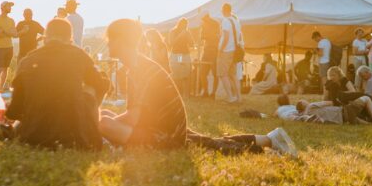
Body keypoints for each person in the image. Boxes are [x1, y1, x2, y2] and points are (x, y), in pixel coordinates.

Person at [97, 19, 296, 155]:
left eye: (109, 39)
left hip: (167, 134)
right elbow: (136, 115)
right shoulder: (137, 67)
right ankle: (269, 140)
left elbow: (133, 118)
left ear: (121, 40)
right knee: (210, 142)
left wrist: (100, 126)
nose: (107, 44)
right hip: (165, 127)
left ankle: (269, 143)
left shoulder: (142, 69)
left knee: (103, 122)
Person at [7, 17, 110, 149]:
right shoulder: (78, 55)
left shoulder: (27, 60)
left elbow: (14, 112)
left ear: (44, 39)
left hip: (31, 136)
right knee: (95, 84)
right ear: (70, 40)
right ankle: (90, 130)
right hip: (73, 136)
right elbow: (101, 84)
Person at [217, 4, 245, 103]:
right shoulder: (236, 21)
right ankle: (239, 97)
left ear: (223, 10)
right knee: (233, 75)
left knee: (222, 74)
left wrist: (221, 49)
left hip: (226, 51)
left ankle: (230, 97)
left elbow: (226, 36)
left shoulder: (225, 21)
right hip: (234, 51)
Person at [0, 2, 17, 92]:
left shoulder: (11, 20)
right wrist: (8, 32)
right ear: (3, 7)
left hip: (10, 47)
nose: (10, 8)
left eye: (10, 6)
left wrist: (4, 31)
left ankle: (0, 88)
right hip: (0, 47)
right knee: (0, 68)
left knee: (6, 68)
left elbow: (14, 34)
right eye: (8, 6)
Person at [168, 18, 194, 93]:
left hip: (185, 54)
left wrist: (188, 36)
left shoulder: (187, 32)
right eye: (183, 25)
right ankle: (177, 91)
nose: (184, 26)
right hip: (178, 55)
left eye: (186, 25)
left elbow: (192, 44)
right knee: (178, 72)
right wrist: (180, 35)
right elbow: (171, 43)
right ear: (179, 24)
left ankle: (186, 93)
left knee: (186, 74)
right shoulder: (173, 31)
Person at [198, 13, 220, 97]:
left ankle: (211, 92)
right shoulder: (213, 24)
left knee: (211, 73)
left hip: (212, 51)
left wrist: (204, 34)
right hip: (208, 51)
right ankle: (207, 92)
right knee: (204, 72)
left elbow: (203, 37)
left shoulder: (213, 24)